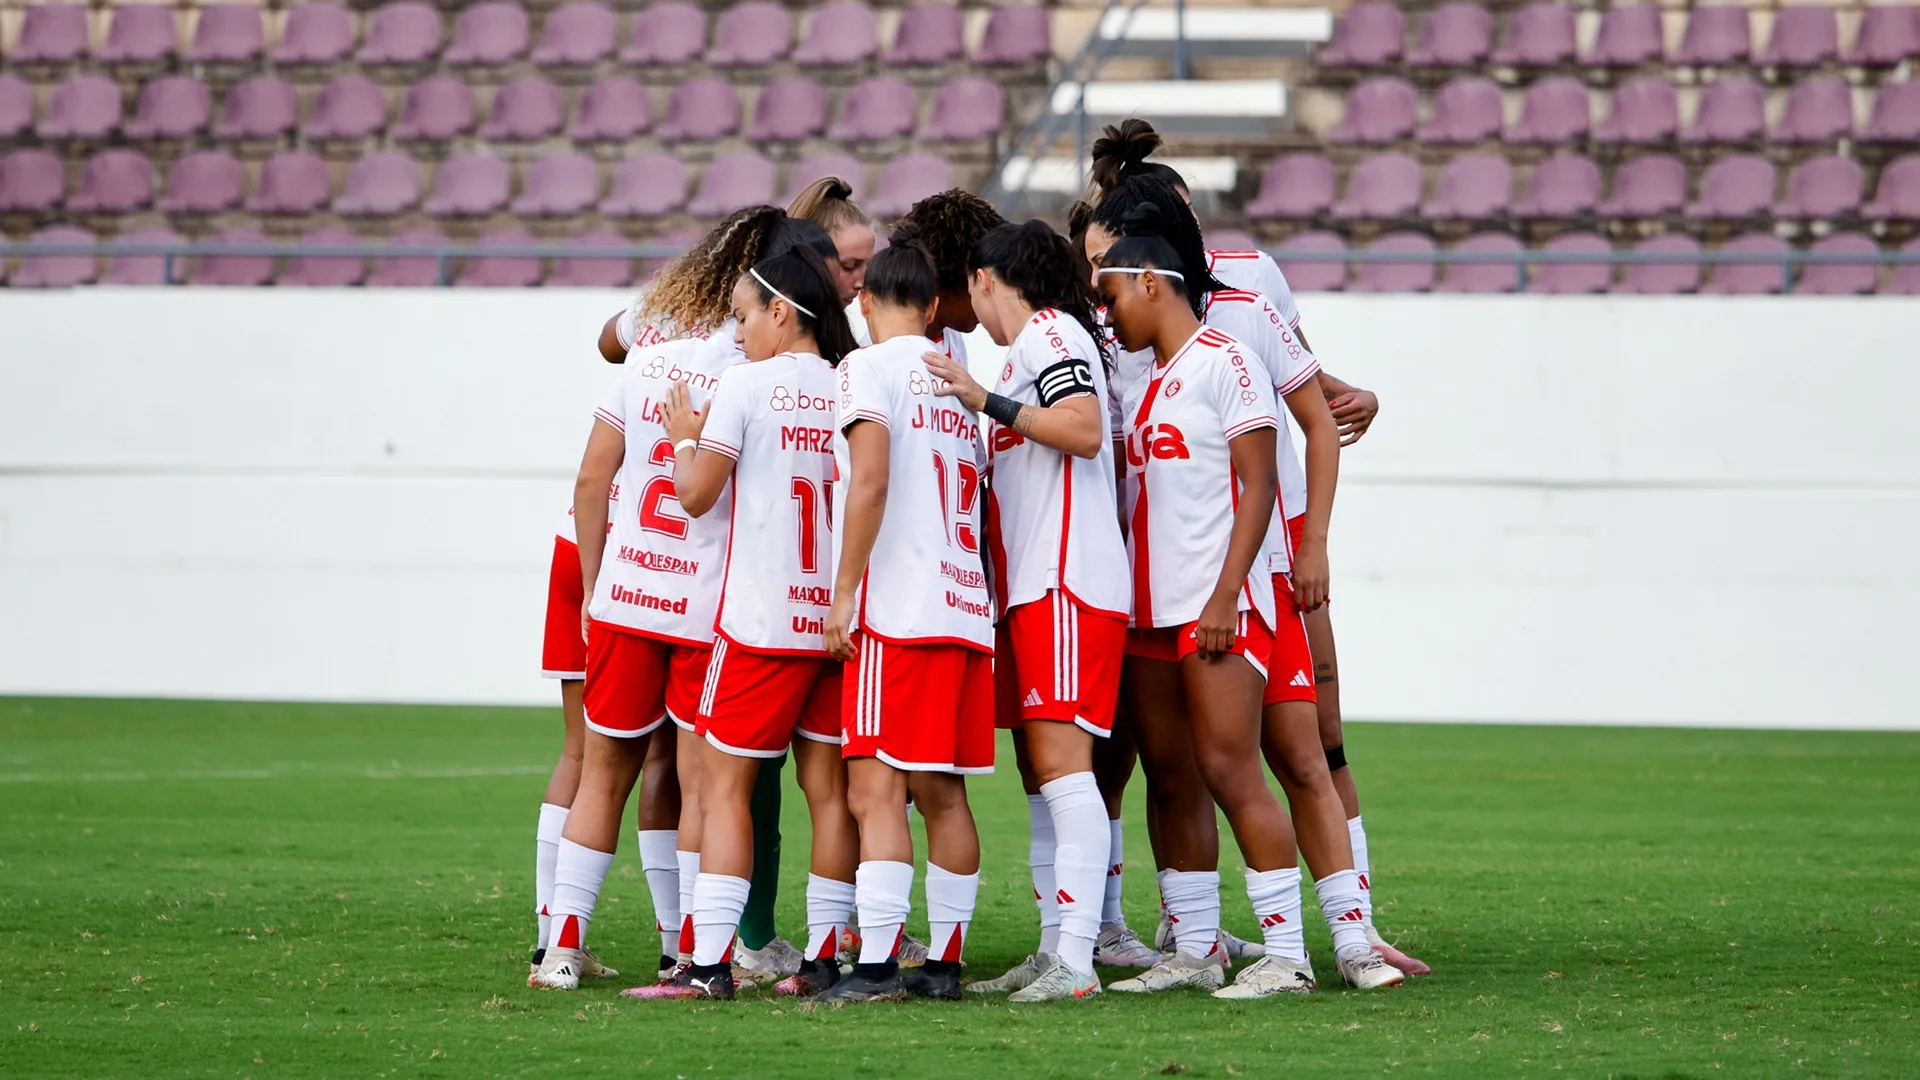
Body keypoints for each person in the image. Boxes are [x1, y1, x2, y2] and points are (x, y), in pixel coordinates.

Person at [1084, 128, 1428, 976]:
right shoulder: (1122, 343)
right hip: (1155, 589)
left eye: (1109, 266)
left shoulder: (1241, 310)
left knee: (1297, 751)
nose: (1099, 288)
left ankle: (1345, 938)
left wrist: (1307, 545)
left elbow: (1305, 421)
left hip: (1246, 576)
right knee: (1170, 763)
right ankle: (1191, 936)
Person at [532, 206, 813, 991]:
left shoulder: (652, 360)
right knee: (698, 783)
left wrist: (595, 586)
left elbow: (593, 480)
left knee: (602, 773)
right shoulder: (756, 379)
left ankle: (560, 948)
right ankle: (686, 949)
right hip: (701, 608)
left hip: (625, 595)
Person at [626, 247, 861, 1001]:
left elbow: (694, 495)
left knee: (723, 790)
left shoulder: (747, 384)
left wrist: (685, 434)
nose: (739, 331)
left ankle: (707, 967)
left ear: (781, 313)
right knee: (829, 794)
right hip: (832, 623)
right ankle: (824, 961)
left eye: (742, 315)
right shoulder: (848, 383)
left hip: (760, 624)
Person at [916, 220, 1135, 1001]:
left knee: (1063, 770)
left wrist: (985, 400)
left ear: (984, 278)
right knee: (1042, 778)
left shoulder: (1050, 333)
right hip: (1033, 591)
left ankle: (1077, 960)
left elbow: (1077, 430)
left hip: (1067, 582)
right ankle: (1056, 947)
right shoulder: (1033, 348)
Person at [816, 243, 997, 1003]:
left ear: (866, 302)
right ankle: (945, 966)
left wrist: (844, 589)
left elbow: (872, 480)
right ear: (932, 309)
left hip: (901, 607)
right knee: (945, 793)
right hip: (963, 605)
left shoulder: (866, 367)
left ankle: (879, 965)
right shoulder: (958, 385)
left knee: (875, 790)